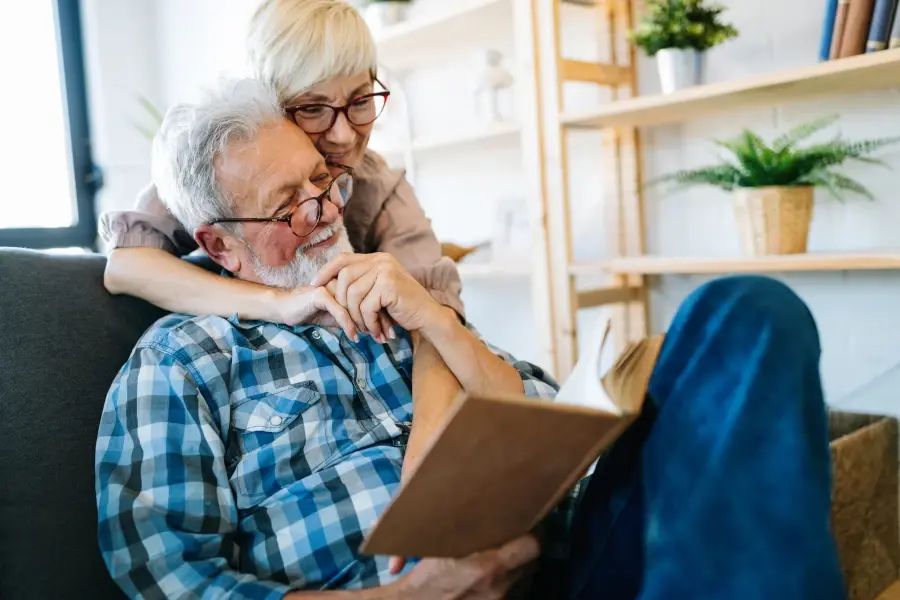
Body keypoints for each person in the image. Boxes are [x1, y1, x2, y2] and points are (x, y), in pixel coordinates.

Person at [95, 76, 847, 600]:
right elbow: (170, 575)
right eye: (287, 205)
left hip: (572, 559)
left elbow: (539, 409)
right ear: (220, 245)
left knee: (744, 310)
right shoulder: (184, 361)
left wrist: (432, 317)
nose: (324, 212)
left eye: (322, 182)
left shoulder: (390, 292)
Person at [99, 0, 463, 326]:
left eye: (361, 101)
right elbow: (127, 267)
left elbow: (436, 320)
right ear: (270, 105)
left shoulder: (381, 187)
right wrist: (278, 303)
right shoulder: (219, 178)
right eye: (312, 109)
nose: (344, 136)